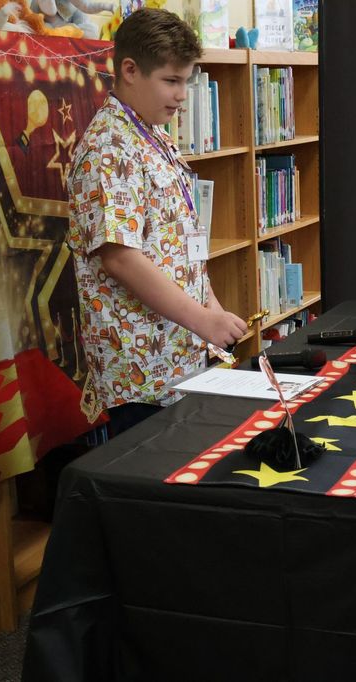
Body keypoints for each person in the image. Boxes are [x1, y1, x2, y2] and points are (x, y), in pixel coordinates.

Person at [66, 8, 247, 438]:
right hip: (141, 375)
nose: (183, 95)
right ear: (130, 70)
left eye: (186, 81)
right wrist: (205, 322)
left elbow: (179, 236)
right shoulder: (109, 148)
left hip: (178, 356)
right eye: (171, 80)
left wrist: (212, 308)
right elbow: (121, 258)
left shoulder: (152, 133)